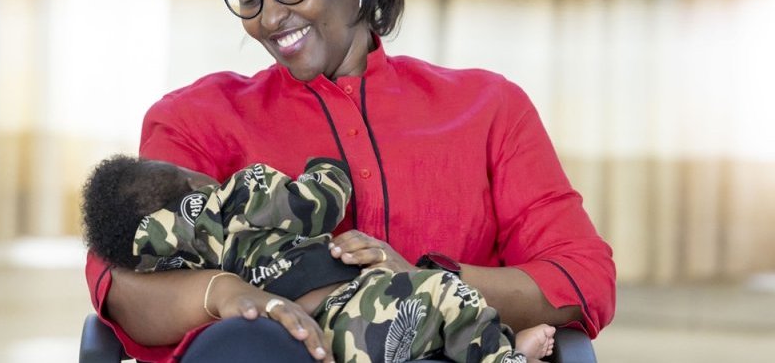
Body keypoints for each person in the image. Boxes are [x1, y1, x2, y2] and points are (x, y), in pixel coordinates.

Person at [84, 0, 616, 363]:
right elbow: (122, 283)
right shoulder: (195, 118)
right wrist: (226, 294)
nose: (269, 17)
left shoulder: (489, 106)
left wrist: (425, 282)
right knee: (245, 338)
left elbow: (583, 275)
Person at [81, 154, 555, 362]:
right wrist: (327, 170)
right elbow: (315, 205)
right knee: (446, 294)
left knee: (419, 326)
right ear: (192, 182)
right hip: (353, 299)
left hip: (330, 341)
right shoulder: (238, 196)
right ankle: (505, 356)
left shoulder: (167, 260)